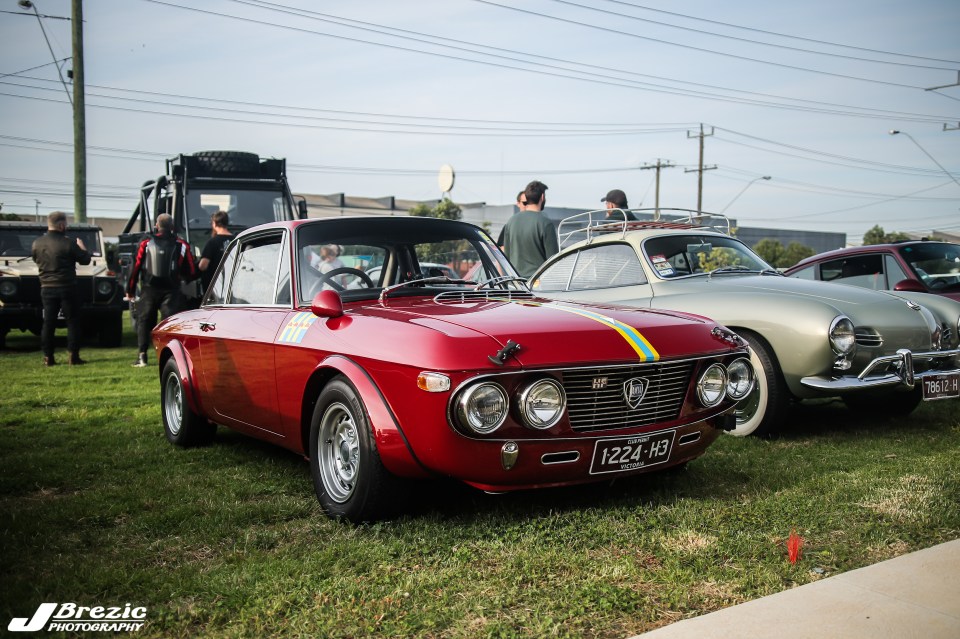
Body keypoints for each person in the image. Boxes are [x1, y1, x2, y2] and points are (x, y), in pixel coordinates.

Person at [126, 213, 197, 367]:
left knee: (144, 322)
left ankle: (142, 356)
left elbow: (135, 267)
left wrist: (130, 290)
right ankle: (171, 357)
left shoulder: (145, 243)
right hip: (172, 289)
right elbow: (191, 270)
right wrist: (185, 279)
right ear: (172, 227)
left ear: (156, 225)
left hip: (149, 288)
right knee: (170, 324)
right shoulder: (182, 244)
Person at [31, 211, 91, 366]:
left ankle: (48, 357)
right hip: (67, 287)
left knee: (48, 323)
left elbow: (35, 259)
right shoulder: (68, 243)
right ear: (62, 225)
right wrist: (83, 248)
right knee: (72, 321)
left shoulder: (37, 243)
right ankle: (73, 356)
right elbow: (85, 260)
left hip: (46, 287)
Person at [500, 180, 558, 278]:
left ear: (526, 198)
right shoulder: (545, 223)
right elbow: (553, 261)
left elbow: (506, 255)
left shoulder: (511, 221)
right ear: (542, 197)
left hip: (515, 284)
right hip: (538, 284)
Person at [197, 210, 233, 295]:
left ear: (214, 223)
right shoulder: (235, 240)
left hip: (214, 287)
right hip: (231, 284)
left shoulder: (212, 242)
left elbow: (203, 266)